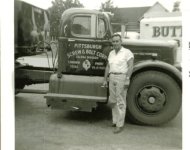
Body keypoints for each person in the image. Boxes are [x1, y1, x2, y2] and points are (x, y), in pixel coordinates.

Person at [103, 34, 134, 134]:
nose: (115, 43)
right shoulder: (111, 53)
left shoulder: (127, 52)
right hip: (112, 77)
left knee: (120, 101)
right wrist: (105, 79)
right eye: (114, 41)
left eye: (117, 41)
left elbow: (130, 66)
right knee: (113, 100)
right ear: (112, 43)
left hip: (121, 77)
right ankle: (115, 121)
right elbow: (108, 66)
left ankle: (120, 125)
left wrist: (127, 79)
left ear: (121, 42)